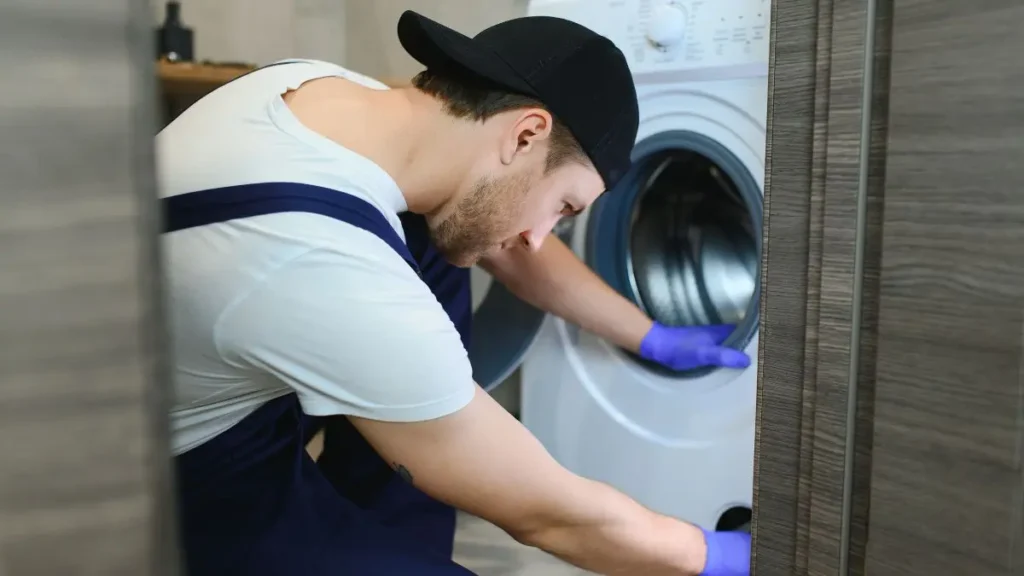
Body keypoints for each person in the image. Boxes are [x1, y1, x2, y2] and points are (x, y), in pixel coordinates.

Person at [158, 10, 752, 576]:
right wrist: (707, 554)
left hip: (203, 375)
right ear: (526, 134)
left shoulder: (320, 91)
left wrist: (648, 335)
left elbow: (504, 242)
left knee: (441, 238)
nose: (538, 237)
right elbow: (544, 513)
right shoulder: (316, 252)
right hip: (177, 482)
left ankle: (389, 530)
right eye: (563, 206)